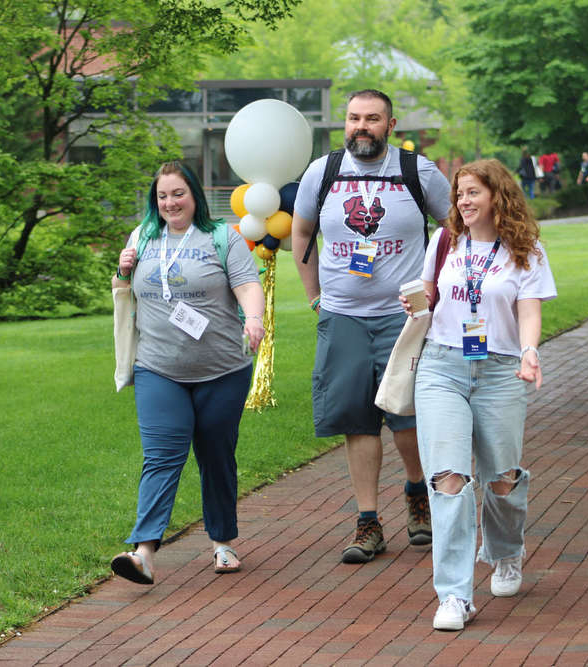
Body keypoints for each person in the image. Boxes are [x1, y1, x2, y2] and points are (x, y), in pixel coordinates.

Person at [291, 90, 452, 563]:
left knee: (407, 418)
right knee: (357, 420)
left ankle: (418, 493)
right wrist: (314, 295)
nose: (362, 126)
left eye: (373, 119)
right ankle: (367, 522)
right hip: (341, 316)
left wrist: (436, 291)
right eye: (354, 118)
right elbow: (301, 232)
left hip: (404, 318)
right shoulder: (321, 173)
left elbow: (453, 231)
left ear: (391, 124)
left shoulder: (416, 171)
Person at [401, 159, 556, 631]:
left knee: (502, 478)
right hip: (442, 367)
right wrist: (413, 302)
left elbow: (528, 309)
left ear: (497, 196)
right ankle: (454, 596)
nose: (463, 202)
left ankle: (506, 553)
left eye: (472, 193)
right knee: (448, 479)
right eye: (459, 194)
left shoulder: (525, 249)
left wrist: (530, 351)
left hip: (500, 370)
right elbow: (428, 297)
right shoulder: (444, 241)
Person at [110, 160, 265, 584]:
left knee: (216, 456)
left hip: (222, 370)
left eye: (177, 193)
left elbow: (248, 285)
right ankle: (143, 552)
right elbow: (127, 291)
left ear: (194, 195)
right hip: (158, 368)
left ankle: (222, 543)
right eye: (162, 196)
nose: (169, 202)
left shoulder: (222, 238)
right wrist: (123, 270)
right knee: (161, 456)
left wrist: (253, 318)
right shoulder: (143, 236)